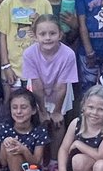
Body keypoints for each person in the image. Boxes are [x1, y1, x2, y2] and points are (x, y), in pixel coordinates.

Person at [0, 0, 52, 103]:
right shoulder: (7, 4)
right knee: (12, 106)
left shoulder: (44, 4)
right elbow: (3, 36)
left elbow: (50, 37)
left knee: (38, 107)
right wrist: (6, 65)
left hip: (37, 68)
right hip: (12, 68)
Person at [23, 14, 77, 149]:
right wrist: (42, 110)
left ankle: (54, 160)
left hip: (60, 87)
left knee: (57, 122)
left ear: (60, 34)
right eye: (42, 34)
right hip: (38, 87)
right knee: (39, 121)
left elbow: (61, 86)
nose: (47, 38)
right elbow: (37, 85)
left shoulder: (68, 54)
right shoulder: (29, 53)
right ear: (35, 36)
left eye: (52, 33)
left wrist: (57, 111)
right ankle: (38, 159)